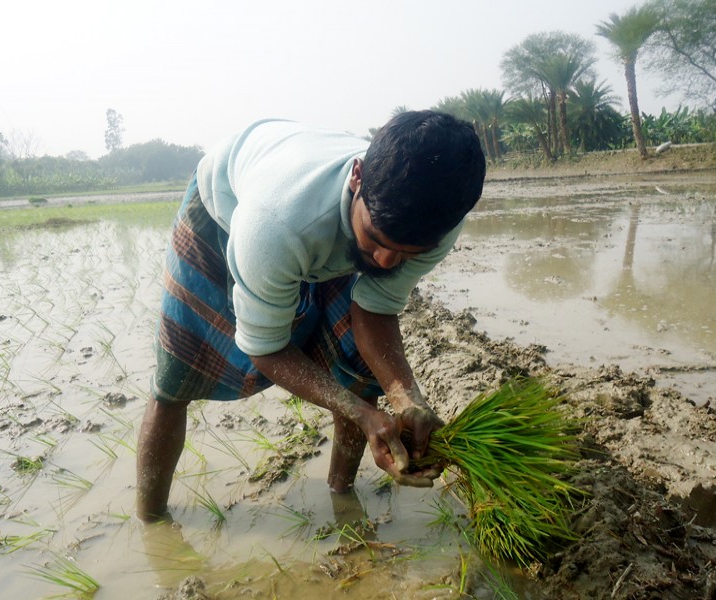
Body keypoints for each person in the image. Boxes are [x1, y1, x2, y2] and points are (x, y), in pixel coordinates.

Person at [136, 110, 486, 521]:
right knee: (175, 380)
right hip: (226, 210)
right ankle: (151, 520)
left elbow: (375, 310)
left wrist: (405, 398)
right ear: (357, 178)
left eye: (408, 254)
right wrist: (360, 412)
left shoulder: (435, 221)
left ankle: (343, 496)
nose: (386, 262)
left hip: (318, 227)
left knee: (360, 367)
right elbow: (264, 347)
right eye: (375, 240)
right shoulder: (272, 224)